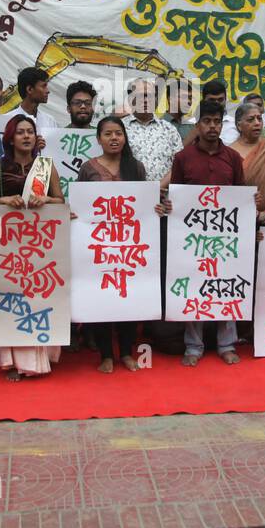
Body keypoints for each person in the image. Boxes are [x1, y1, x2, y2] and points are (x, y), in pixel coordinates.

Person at [0, 114, 65, 380]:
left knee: (39, 295)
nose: (27, 136)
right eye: (21, 132)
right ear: (10, 138)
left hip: (41, 245)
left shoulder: (46, 166)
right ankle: (14, 361)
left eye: (30, 131)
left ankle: (43, 358)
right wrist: (5, 199)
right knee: (13, 298)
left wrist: (46, 199)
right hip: (8, 245)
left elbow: (60, 201)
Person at [164, 100, 245, 366]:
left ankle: (227, 344)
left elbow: (240, 195)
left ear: (222, 125)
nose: (212, 126)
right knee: (194, 287)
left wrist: (249, 204)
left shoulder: (233, 158)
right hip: (191, 238)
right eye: (207, 122)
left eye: (217, 122)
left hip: (225, 240)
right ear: (197, 125)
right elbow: (175, 194)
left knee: (226, 286)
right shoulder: (182, 158)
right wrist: (169, 205)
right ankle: (194, 346)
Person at [75, 115, 151, 373]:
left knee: (128, 298)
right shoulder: (88, 168)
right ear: (98, 139)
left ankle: (127, 352)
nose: (114, 138)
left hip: (130, 246)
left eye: (118, 133)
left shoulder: (136, 167)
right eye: (108, 134)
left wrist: (156, 208)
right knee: (102, 299)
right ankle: (106, 354)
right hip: (100, 247)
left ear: (125, 137)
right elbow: (80, 203)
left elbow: (144, 204)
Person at [229, 102, 265, 214]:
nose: (257, 123)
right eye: (250, 120)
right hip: (240, 217)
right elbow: (227, 191)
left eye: (259, 119)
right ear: (239, 125)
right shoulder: (229, 153)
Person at [123, 77, 184, 183]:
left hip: (163, 196)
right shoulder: (120, 128)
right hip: (130, 195)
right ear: (130, 100)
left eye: (150, 96)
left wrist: (159, 188)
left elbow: (179, 164)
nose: (146, 100)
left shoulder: (169, 129)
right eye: (141, 96)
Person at [10, 66, 60, 141]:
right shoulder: (9, 119)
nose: (47, 91)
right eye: (44, 86)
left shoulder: (50, 121)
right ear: (30, 89)